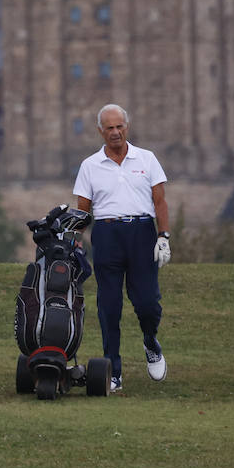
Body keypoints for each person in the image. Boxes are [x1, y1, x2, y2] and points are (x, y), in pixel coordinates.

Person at [73, 103, 171, 392]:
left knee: (147, 303)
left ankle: (151, 341)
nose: (115, 133)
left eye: (120, 127)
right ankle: (112, 370)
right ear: (100, 131)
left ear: (127, 128)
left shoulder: (147, 158)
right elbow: (83, 210)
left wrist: (163, 236)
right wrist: (76, 242)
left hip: (142, 232)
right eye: (109, 128)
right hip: (106, 234)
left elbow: (160, 201)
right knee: (109, 306)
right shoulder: (90, 166)